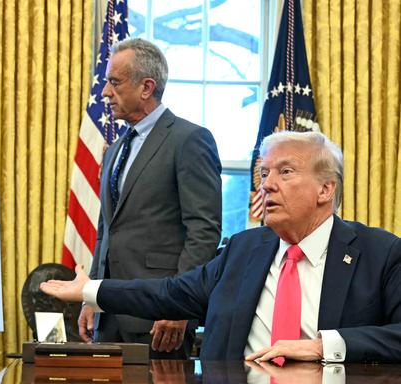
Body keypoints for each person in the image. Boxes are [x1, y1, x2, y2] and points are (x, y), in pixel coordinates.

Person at [42, 130, 401, 363]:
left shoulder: (380, 253)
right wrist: (88, 289)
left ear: (326, 189)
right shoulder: (243, 250)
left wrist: (324, 346)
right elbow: (168, 293)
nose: (267, 186)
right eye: (264, 174)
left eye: (285, 172)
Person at [82, 38, 222, 357]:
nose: (105, 92)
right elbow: (107, 231)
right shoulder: (117, 148)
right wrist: (92, 296)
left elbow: (203, 231)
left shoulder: (189, 140)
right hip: (109, 314)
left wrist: (179, 306)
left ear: (147, 87)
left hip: (159, 319)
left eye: (114, 82)